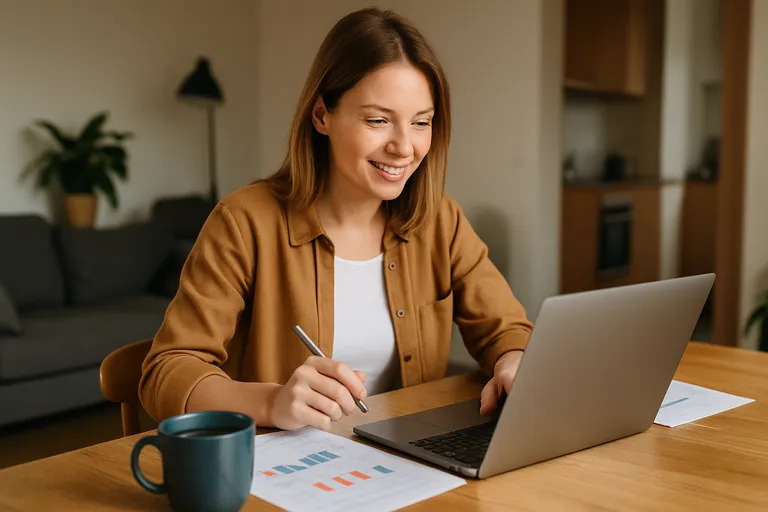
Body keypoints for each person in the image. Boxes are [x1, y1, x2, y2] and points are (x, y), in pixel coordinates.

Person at [139, 7, 533, 432]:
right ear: (322, 115)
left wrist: (513, 362)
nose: (404, 147)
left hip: (405, 458)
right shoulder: (243, 222)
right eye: (378, 120)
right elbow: (167, 370)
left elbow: (507, 331)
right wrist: (271, 402)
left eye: (421, 123)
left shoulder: (441, 222)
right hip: (284, 463)